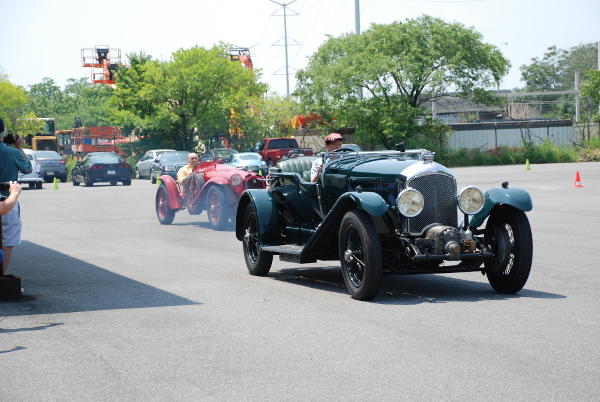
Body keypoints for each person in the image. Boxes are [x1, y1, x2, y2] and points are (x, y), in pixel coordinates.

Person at [0, 118, 32, 275]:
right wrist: (19, 147)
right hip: (7, 202)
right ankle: (2, 277)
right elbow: (28, 168)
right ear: (3, 133)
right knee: (7, 240)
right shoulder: (12, 152)